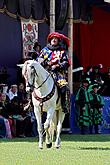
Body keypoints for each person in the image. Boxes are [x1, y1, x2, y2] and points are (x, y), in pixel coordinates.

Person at [39, 32, 70, 113]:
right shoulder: (44, 50)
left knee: (64, 87)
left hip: (57, 73)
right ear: (50, 40)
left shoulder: (62, 51)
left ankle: (63, 105)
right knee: (34, 84)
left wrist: (57, 66)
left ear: (58, 41)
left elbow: (66, 63)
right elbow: (38, 60)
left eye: (56, 39)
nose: (54, 40)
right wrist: (46, 63)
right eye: (52, 39)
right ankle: (31, 103)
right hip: (45, 71)